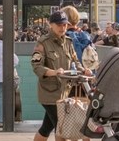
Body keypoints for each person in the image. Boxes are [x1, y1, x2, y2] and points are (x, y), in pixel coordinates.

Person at [31, 8, 87, 141]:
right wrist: (54, 72)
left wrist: (83, 70)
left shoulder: (68, 42)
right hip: (50, 93)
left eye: (65, 24)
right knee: (62, 128)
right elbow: (36, 66)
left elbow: (75, 61)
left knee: (46, 127)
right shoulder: (43, 43)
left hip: (65, 92)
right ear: (51, 25)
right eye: (59, 25)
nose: (63, 28)